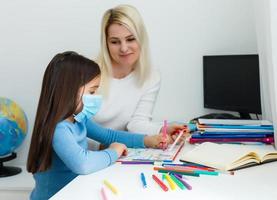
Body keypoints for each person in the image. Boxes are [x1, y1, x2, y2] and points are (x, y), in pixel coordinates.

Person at [26, 51, 170, 200]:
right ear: (69, 90)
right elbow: (82, 164)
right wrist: (113, 151)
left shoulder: (79, 119)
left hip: (74, 192)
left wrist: (147, 140)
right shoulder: (59, 129)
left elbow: (109, 135)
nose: (96, 98)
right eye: (92, 91)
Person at [95, 4, 188, 139]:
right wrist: (102, 146)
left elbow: (136, 124)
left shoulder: (151, 76)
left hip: (120, 150)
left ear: (141, 38)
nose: (124, 48)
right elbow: (70, 128)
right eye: (115, 42)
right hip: (89, 151)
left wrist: (163, 129)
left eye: (130, 39)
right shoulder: (88, 74)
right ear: (106, 44)